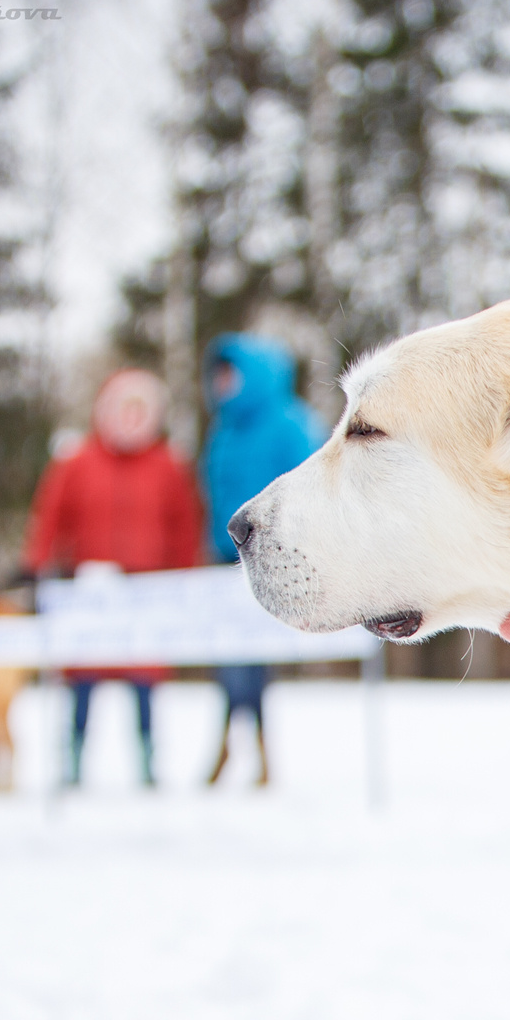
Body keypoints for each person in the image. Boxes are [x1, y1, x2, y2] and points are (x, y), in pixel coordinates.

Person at [20, 370, 203, 787]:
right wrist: (36, 563)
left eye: (140, 411)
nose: (131, 420)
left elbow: (184, 528)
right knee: (82, 683)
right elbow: (50, 518)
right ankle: (73, 760)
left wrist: (185, 579)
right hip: (90, 592)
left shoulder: (169, 467)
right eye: (124, 410)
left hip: (147, 594)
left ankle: (148, 762)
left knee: (144, 683)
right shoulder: (75, 462)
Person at [198, 333, 326, 786]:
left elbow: (309, 486)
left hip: (273, 557)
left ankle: (245, 746)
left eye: (230, 375)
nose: (221, 384)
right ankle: (239, 745)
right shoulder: (222, 430)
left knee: (252, 661)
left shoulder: (290, 424)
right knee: (231, 658)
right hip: (225, 558)